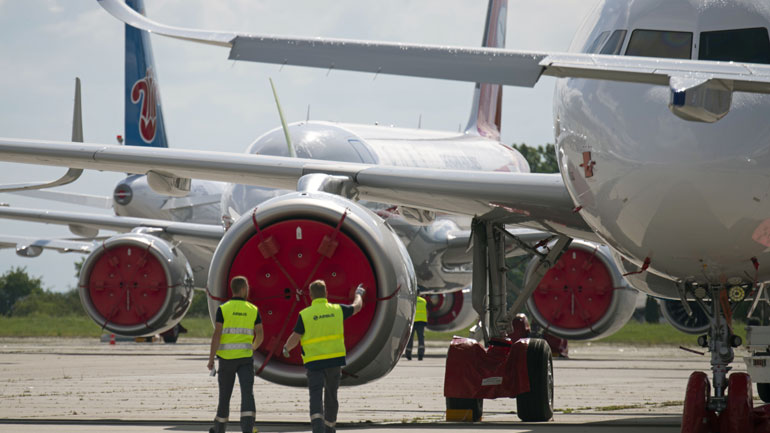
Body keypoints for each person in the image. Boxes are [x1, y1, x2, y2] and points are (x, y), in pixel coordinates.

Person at [282, 279, 366, 433]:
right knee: (331, 395)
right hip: (334, 361)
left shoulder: (305, 314)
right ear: (326, 293)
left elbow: (296, 336)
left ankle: (317, 427)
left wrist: (286, 348)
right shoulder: (337, 310)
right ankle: (330, 426)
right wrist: (358, 294)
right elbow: (357, 307)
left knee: (315, 395)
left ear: (311, 295)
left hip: (314, 362)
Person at [207, 276, 263, 433]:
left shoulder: (223, 309)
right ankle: (248, 428)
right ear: (244, 289)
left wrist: (211, 358)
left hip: (226, 360)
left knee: (224, 395)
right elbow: (260, 335)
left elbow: (217, 335)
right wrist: (252, 348)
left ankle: (219, 428)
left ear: (233, 289)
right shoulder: (253, 309)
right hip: (245, 359)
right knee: (247, 393)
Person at [405, 295, 427, 360]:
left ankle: (408, 354)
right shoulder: (423, 301)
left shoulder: (411, 300)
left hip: (413, 321)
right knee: (421, 338)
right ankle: (420, 354)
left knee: (410, 338)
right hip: (421, 322)